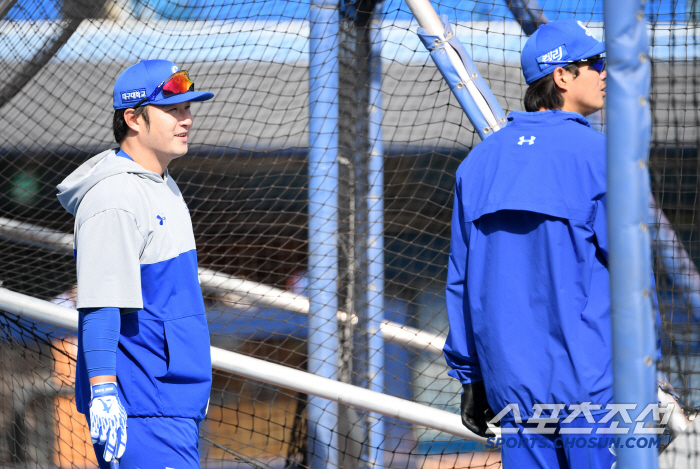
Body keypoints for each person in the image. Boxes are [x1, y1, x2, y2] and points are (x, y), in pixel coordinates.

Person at [443, 19, 618, 468]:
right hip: (594, 392)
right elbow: (633, 274)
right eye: (595, 63)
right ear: (562, 76)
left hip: (512, 389)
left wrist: (471, 378)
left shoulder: (478, 162)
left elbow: (461, 281)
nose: (605, 72)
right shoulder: (601, 157)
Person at [57, 60, 214, 468]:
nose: (187, 119)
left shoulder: (163, 184)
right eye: (173, 110)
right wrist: (105, 394)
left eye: (187, 108)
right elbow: (101, 305)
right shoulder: (113, 197)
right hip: (140, 406)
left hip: (171, 404)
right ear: (133, 119)